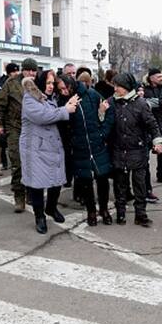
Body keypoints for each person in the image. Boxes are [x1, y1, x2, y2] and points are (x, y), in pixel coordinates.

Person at [20, 72, 79, 234]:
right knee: (37, 184)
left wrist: (68, 104)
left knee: (57, 180)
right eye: (48, 83)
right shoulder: (29, 98)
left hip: (52, 147)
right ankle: (39, 217)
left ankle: (51, 208)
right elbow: (42, 116)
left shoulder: (49, 98)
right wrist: (65, 109)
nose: (51, 86)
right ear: (39, 83)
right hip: (35, 149)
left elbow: (55, 113)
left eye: (52, 83)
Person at [110, 72, 162, 227]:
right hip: (119, 151)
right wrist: (101, 112)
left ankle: (141, 215)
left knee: (139, 185)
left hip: (138, 151)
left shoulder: (141, 104)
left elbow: (153, 125)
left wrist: (158, 142)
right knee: (120, 186)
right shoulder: (111, 102)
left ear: (126, 87)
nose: (115, 89)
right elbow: (105, 123)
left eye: (117, 86)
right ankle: (120, 214)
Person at [67, 73, 115, 226]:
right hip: (80, 147)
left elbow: (108, 112)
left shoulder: (92, 95)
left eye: (66, 87)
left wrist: (103, 134)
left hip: (97, 143)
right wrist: (72, 140)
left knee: (102, 179)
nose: (64, 90)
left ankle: (104, 209)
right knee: (86, 181)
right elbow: (65, 125)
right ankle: (91, 211)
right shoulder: (65, 101)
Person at [0, 57, 38, 212]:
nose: (31, 73)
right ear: (22, 70)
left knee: (32, 164)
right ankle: (19, 196)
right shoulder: (11, 84)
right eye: (28, 70)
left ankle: (31, 194)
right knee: (17, 163)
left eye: (34, 70)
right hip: (15, 128)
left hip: (33, 129)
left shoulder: (37, 85)